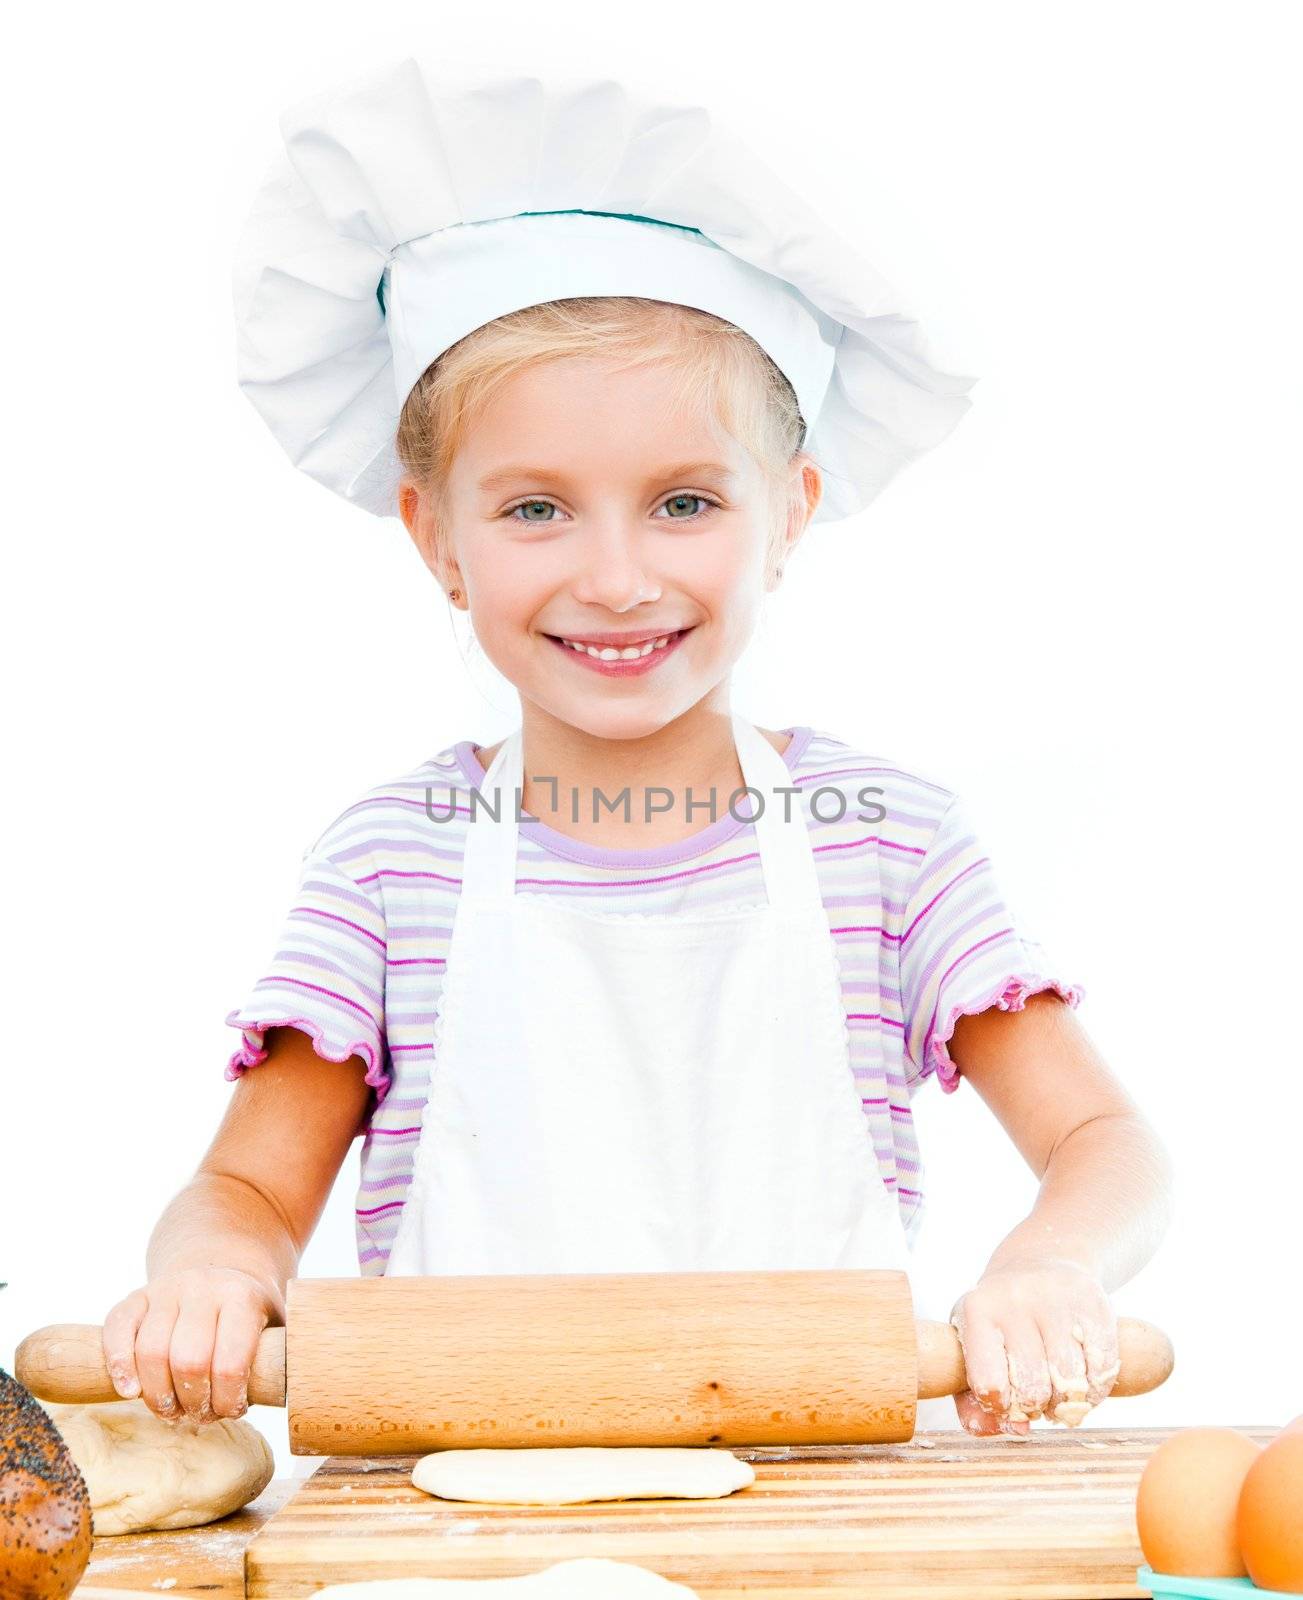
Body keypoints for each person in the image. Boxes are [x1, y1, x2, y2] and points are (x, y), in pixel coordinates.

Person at [101, 59, 1172, 1442]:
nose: (615, 578)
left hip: (824, 1522)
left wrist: (1050, 1266)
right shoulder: (391, 862)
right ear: (436, 537)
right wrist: (215, 1268)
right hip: (460, 1531)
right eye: (536, 508)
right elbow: (247, 1191)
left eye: (683, 502)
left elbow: (1110, 1147)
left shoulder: (884, 841)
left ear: (788, 515)